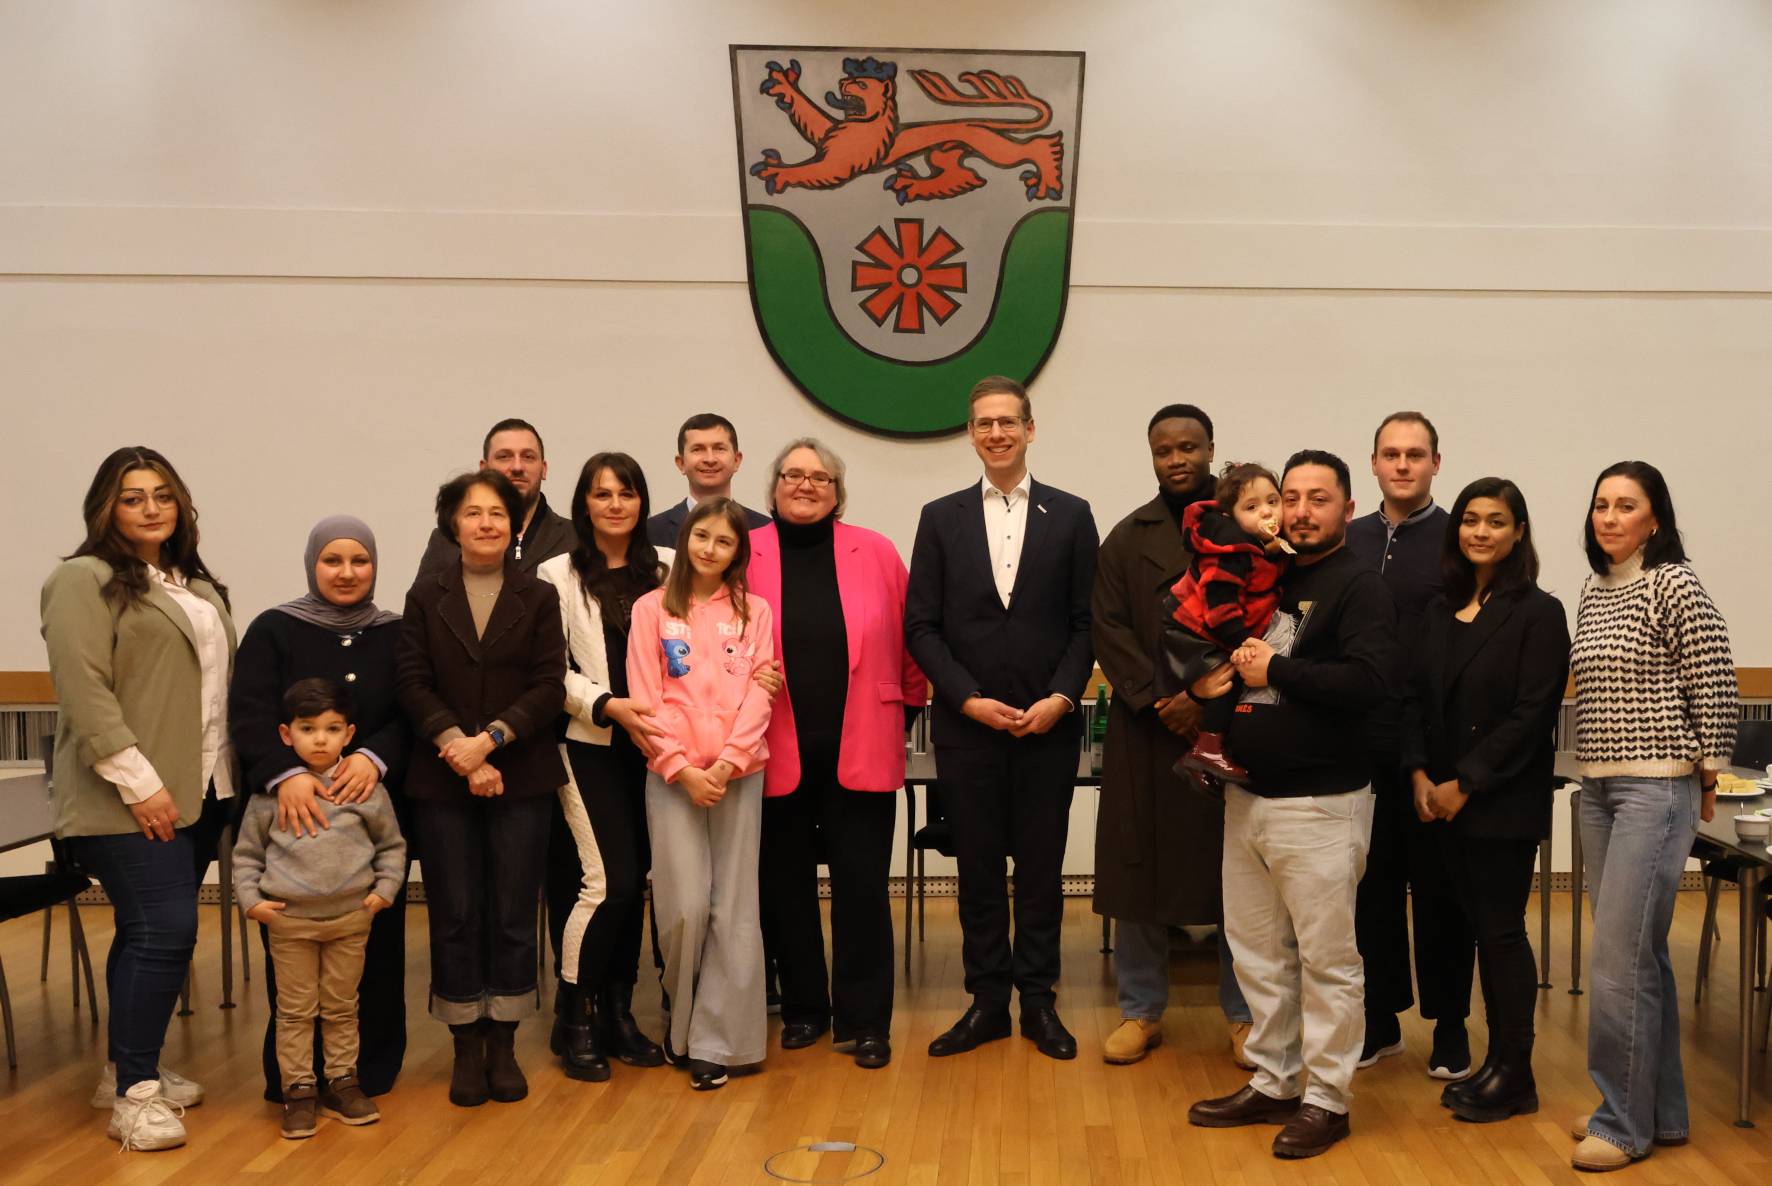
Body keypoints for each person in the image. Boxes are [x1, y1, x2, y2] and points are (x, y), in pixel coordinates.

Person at [1186, 450, 1397, 1160]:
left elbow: (1370, 682)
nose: (1301, 511)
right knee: (1256, 954)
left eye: (1319, 498)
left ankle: (1328, 1099)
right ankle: (1275, 1079)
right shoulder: (1264, 571)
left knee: (1327, 960)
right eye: (1292, 497)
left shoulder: (1361, 585)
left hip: (1322, 803)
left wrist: (1276, 668)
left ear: (1345, 507)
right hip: (1247, 796)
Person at [41, 446, 237, 1151]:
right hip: (127, 797)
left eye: (163, 494)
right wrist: (142, 783)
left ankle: (125, 1066)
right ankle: (136, 1099)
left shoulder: (193, 584)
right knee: (168, 930)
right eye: (133, 497)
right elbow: (85, 693)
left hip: (202, 790)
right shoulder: (81, 580)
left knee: (144, 930)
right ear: (105, 508)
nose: (152, 507)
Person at [906, 375, 1098, 1062]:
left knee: (1042, 873)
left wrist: (1061, 698)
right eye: (983, 422)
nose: (995, 433)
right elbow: (920, 627)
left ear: (1030, 428)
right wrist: (964, 698)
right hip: (968, 730)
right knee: (980, 872)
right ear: (970, 432)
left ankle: (1039, 1002)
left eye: (1007, 422)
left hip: (1049, 727)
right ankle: (987, 1002)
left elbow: (1087, 622)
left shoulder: (1072, 515)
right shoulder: (940, 516)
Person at [1567, 460, 1737, 1172]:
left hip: (1655, 788)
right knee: (1642, 958)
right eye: (1601, 504)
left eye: (1625, 506)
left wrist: (1709, 777)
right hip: (1600, 789)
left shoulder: (1675, 581)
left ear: (1655, 519)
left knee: (1615, 964)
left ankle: (1622, 1123)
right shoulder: (1593, 589)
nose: (1609, 516)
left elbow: (1715, 680)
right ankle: (1656, 1111)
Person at [750, 438, 925, 1069]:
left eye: (819, 477)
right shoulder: (746, 550)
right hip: (771, 748)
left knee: (862, 889)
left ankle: (865, 1020)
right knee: (784, 888)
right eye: (793, 474)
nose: (805, 484)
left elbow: (912, 636)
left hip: (865, 742)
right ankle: (803, 1010)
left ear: (837, 492)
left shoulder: (874, 550)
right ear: (773, 487)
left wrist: (903, 711)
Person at [1398, 478, 1569, 1124]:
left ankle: (1515, 1072)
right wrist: (1418, 774)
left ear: (1519, 532)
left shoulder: (1538, 612)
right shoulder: (1439, 609)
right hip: (1436, 801)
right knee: (1466, 929)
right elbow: (1411, 697)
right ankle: (1495, 1064)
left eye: (1495, 521)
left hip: (1497, 802)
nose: (1479, 532)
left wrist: (1464, 782)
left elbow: (1531, 715)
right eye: (1470, 519)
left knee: (1499, 933)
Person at [396, 470, 568, 1108]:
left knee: (514, 911)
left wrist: (490, 742)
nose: (487, 523)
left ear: (515, 522)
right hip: (442, 779)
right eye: (473, 513)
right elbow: (411, 681)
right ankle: (465, 1043)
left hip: (520, 774)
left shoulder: (539, 594)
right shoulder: (425, 593)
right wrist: (458, 750)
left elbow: (550, 685)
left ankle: (505, 1041)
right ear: (452, 523)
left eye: (499, 512)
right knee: (457, 910)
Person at [229, 515, 411, 1103]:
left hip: (367, 816)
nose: (347, 572)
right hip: (290, 825)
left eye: (359, 560)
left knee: (371, 960)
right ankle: (296, 1081)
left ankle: (363, 1074)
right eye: (333, 560)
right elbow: (249, 712)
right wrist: (286, 776)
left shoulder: (397, 633)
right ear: (312, 564)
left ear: (375, 566)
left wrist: (374, 757)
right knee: (296, 978)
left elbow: (414, 710)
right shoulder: (273, 629)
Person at [1092, 405, 1253, 1068]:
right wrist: (1165, 698)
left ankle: (1245, 1015)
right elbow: (1108, 627)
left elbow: (1261, 616)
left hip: (1230, 731)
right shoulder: (1128, 538)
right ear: (1151, 456)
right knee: (1139, 873)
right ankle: (1141, 1010)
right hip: (1147, 734)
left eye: (1190, 446)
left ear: (1212, 448)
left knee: (1241, 879)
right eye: (1165, 450)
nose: (1178, 458)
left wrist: (1205, 696)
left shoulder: (1242, 528)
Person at [628, 497, 776, 1090]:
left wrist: (730, 762)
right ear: (685, 539)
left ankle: (723, 1043)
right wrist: (681, 767)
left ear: (738, 552)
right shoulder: (651, 609)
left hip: (739, 777)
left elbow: (764, 689)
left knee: (733, 907)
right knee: (684, 907)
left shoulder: (754, 611)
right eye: (703, 536)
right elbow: (646, 695)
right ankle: (682, 1024)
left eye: (725, 541)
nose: (711, 548)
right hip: (673, 776)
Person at [537, 453, 674, 1082]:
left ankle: (621, 1014)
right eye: (601, 494)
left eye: (626, 493)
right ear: (583, 503)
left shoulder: (669, 567)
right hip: (589, 744)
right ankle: (576, 1015)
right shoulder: (555, 575)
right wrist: (607, 704)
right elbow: (548, 668)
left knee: (638, 883)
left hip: (661, 748)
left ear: (643, 501)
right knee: (607, 883)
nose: (614, 504)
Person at [1346, 411, 1472, 1078]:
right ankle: (1379, 1019)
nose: (1402, 464)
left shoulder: (1460, 541)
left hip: (1436, 747)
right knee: (1370, 890)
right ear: (1372, 464)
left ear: (1435, 464)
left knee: (1442, 893)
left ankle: (1450, 1026)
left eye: (1414, 454)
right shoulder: (1349, 539)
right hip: (1361, 746)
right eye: (1390, 454)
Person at [232, 679, 408, 1140]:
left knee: (342, 1006)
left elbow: (391, 847)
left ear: (349, 734)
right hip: (289, 922)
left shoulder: (364, 790)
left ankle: (343, 1082)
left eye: (331, 729)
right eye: (308, 729)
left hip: (352, 920)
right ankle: (299, 1090)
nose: (320, 739)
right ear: (286, 735)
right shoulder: (270, 795)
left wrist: (383, 891)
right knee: (294, 1011)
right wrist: (252, 902)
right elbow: (246, 855)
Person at [1163, 462, 1288, 786]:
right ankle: (1207, 749)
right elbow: (1219, 608)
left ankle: (1203, 762)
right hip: (1192, 629)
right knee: (1229, 679)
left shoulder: (1263, 545)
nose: (1266, 512)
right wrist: (1244, 644)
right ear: (1231, 516)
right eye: (1252, 506)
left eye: (1273, 501)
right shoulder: (1230, 549)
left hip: (1214, 628)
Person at [416, 418, 575, 578]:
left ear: (543, 469)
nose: (517, 467)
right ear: (483, 469)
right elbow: (423, 601)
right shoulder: (447, 540)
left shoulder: (576, 539)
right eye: (504, 456)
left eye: (528, 457)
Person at [645, 413, 771, 547]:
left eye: (719, 449)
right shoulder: (650, 532)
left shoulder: (765, 530)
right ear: (681, 463)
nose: (710, 459)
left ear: (736, 460)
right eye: (698, 449)